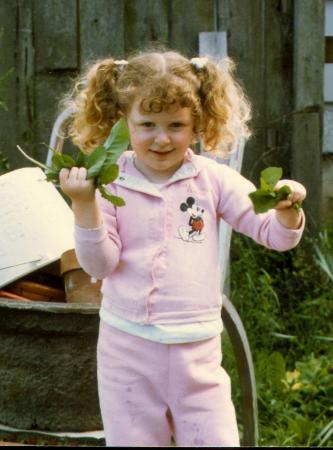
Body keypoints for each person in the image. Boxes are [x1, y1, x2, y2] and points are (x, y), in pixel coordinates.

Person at [59, 50, 306, 447]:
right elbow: (100, 265)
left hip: (198, 352)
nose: (162, 138)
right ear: (124, 122)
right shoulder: (108, 183)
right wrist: (84, 206)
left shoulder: (213, 181)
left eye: (177, 124)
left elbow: (274, 236)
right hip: (128, 350)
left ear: (198, 125)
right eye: (147, 124)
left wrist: (286, 210)